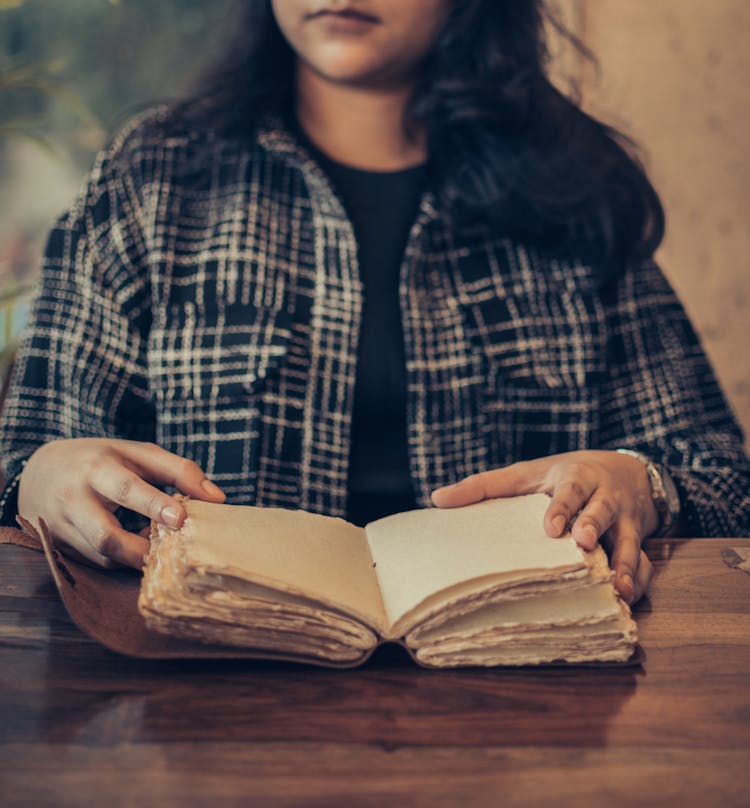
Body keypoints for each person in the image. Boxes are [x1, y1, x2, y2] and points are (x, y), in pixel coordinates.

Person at [1, 0, 748, 606]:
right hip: (204, 696)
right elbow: (25, 462)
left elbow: (722, 478)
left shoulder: (571, 191)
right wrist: (40, 477)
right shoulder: (151, 179)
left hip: (523, 694)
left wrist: (636, 481)